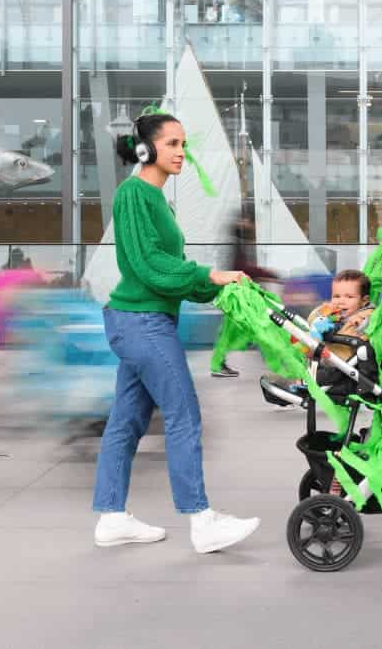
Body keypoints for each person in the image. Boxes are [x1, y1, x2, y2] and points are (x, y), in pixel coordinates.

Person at [93, 109, 260, 554]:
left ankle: (111, 517)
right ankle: (201, 520)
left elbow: (170, 275)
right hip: (142, 322)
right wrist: (209, 275)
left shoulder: (157, 200)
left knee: (127, 421)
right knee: (184, 414)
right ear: (147, 149)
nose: (182, 152)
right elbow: (149, 266)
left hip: (146, 319)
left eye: (184, 144)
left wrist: (217, 286)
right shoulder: (134, 195)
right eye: (172, 144)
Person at [261, 269, 374, 401]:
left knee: (319, 372)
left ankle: (300, 385)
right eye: (336, 296)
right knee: (298, 356)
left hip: (345, 371)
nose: (341, 301)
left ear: (364, 301)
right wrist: (323, 314)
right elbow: (312, 321)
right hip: (327, 361)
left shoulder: (366, 317)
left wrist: (337, 326)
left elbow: (361, 328)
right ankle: (293, 381)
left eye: (349, 297)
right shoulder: (335, 313)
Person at [210, 215, 279, 378]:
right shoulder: (236, 243)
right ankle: (218, 364)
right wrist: (268, 273)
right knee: (256, 325)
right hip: (237, 293)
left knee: (236, 329)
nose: (252, 226)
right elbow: (241, 267)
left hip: (236, 292)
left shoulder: (236, 242)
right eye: (249, 221)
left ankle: (218, 364)